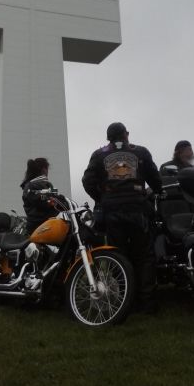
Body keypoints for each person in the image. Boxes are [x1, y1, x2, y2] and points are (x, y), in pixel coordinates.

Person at [82, 122, 162, 313]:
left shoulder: (99, 154)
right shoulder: (141, 152)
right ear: (126, 135)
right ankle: (147, 304)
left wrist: (102, 198)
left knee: (117, 256)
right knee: (144, 256)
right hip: (137, 209)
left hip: (112, 211)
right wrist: (156, 192)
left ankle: (123, 302)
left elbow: (87, 181)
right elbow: (155, 180)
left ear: (108, 137)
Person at [20, 158, 57, 234]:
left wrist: (60, 198)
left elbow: (55, 196)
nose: (47, 172)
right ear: (43, 169)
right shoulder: (31, 185)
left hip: (48, 223)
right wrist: (52, 199)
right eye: (47, 169)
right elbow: (41, 199)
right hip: (39, 226)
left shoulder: (47, 184)